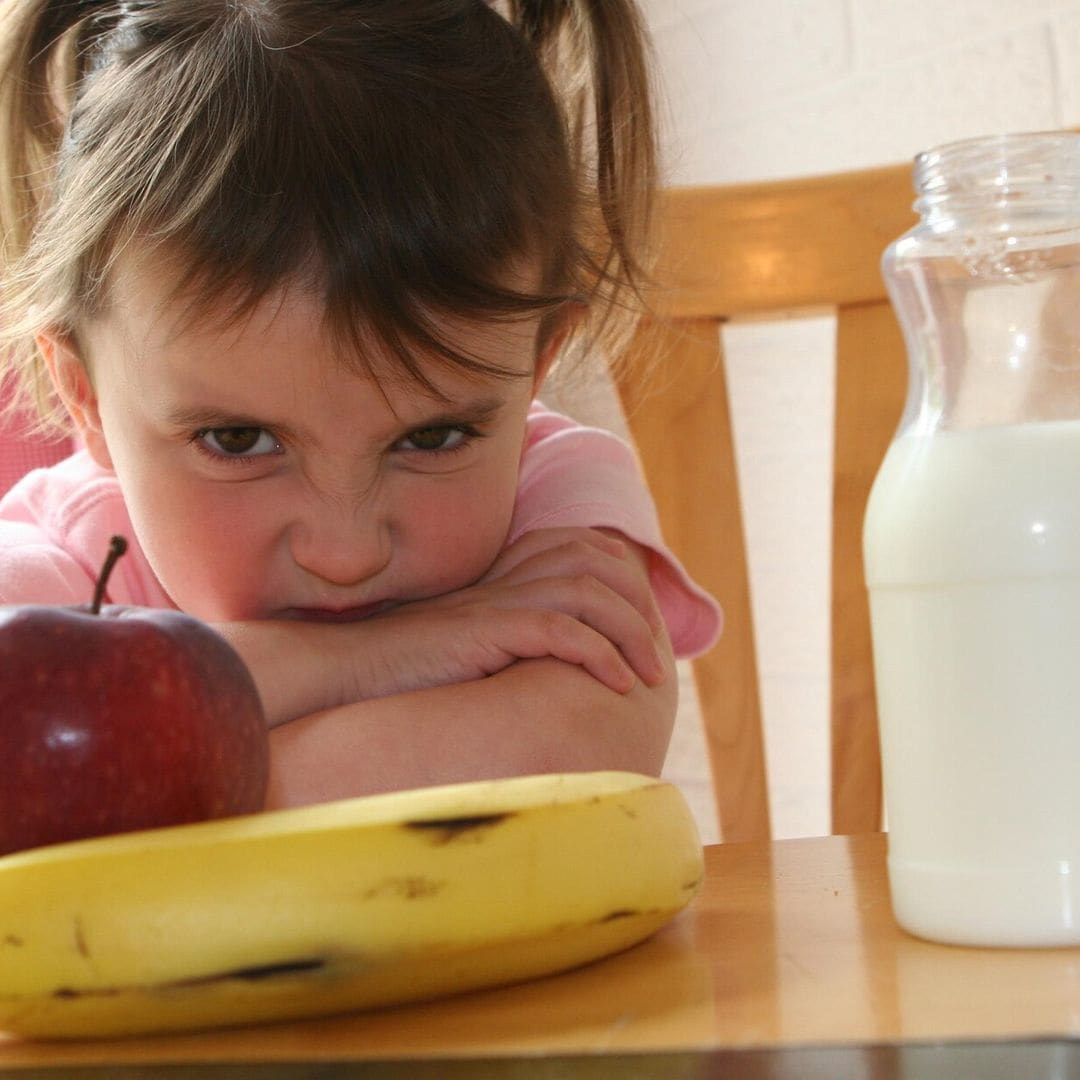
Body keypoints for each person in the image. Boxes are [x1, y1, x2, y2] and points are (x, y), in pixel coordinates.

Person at [0, 0, 720, 808]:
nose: (344, 553)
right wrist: (379, 655)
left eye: (433, 436)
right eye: (238, 440)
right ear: (85, 399)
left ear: (537, 363)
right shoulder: (44, 570)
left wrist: (132, 784)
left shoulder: (551, 490)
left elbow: (579, 744)